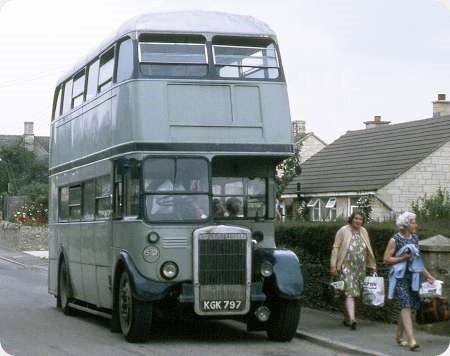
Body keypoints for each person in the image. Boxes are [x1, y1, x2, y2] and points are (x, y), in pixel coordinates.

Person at [383, 212, 435, 351]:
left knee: (410, 308)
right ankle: (411, 340)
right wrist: (402, 258)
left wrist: (428, 275)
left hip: (413, 277)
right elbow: (386, 259)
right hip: (399, 278)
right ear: (406, 225)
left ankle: (399, 337)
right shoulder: (395, 240)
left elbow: (416, 260)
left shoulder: (415, 238)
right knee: (405, 305)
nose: (416, 224)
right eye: (413, 222)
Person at [330, 211, 377, 330]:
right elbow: (336, 248)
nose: (358, 221)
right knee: (350, 291)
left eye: (360, 219)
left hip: (360, 267)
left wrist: (372, 265)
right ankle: (352, 319)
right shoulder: (343, 230)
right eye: (356, 218)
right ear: (351, 219)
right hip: (346, 266)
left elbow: (369, 249)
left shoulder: (364, 231)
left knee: (354, 293)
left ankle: (346, 317)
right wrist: (333, 265)